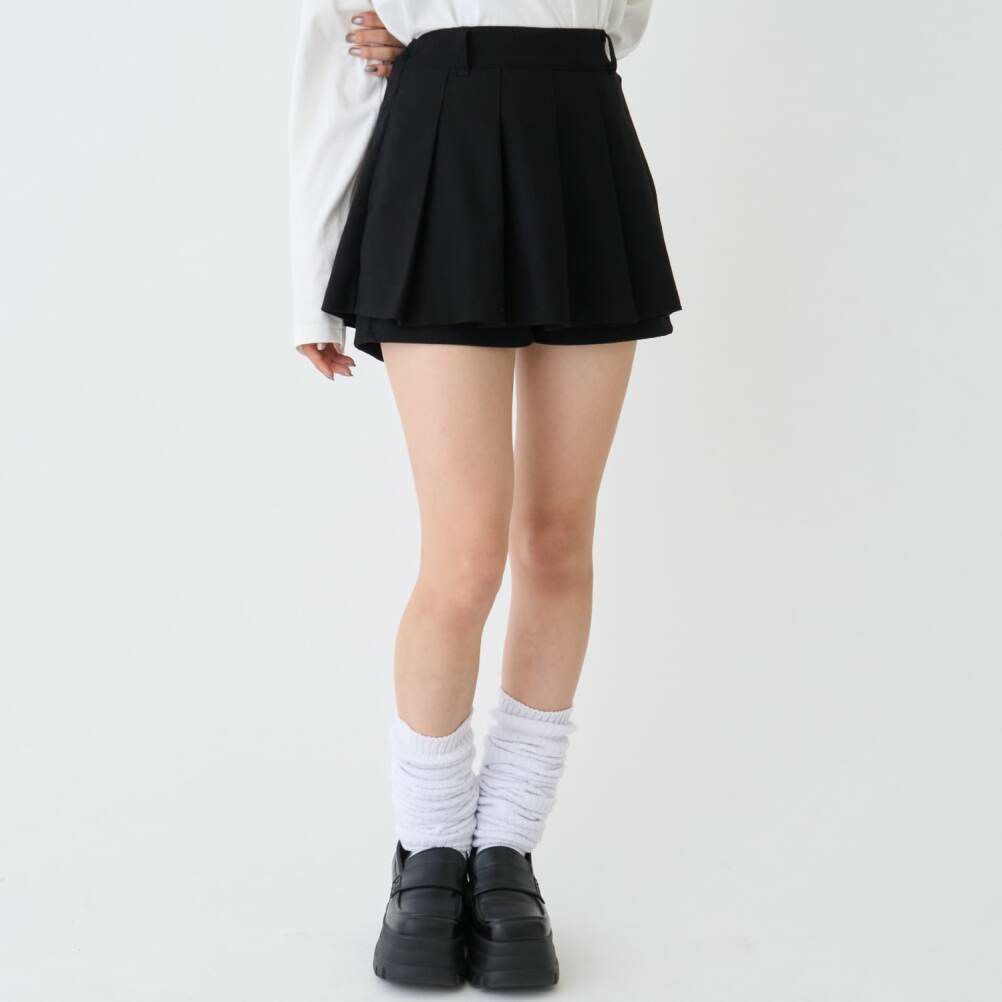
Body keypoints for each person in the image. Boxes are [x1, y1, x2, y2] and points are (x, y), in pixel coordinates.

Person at [289, 1, 680, 989]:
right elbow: (337, 49)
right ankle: (428, 851)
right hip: (442, 146)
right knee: (463, 556)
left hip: (583, 141)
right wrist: (313, 285)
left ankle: (506, 848)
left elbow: (623, 21)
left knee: (556, 540)